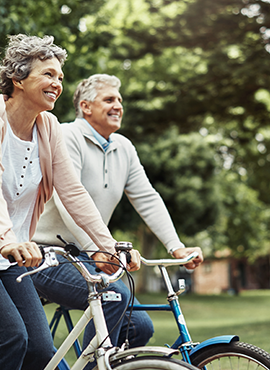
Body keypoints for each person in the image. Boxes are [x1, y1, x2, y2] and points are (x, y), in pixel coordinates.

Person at [0, 37, 140, 370]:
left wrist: (108, 246)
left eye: (60, 77)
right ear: (18, 79)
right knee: (11, 338)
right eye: (48, 74)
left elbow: (72, 193)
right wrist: (8, 241)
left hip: (6, 259)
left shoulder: (48, 128)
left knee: (39, 351)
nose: (57, 84)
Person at [31, 74, 204, 354]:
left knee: (140, 326)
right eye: (109, 99)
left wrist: (176, 247)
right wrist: (99, 249)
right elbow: (68, 199)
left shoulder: (124, 147)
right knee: (112, 297)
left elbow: (147, 198)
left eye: (120, 101)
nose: (118, 106)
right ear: (86, 106)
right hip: (45, 254)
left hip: (89, 255)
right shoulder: (66, 136)